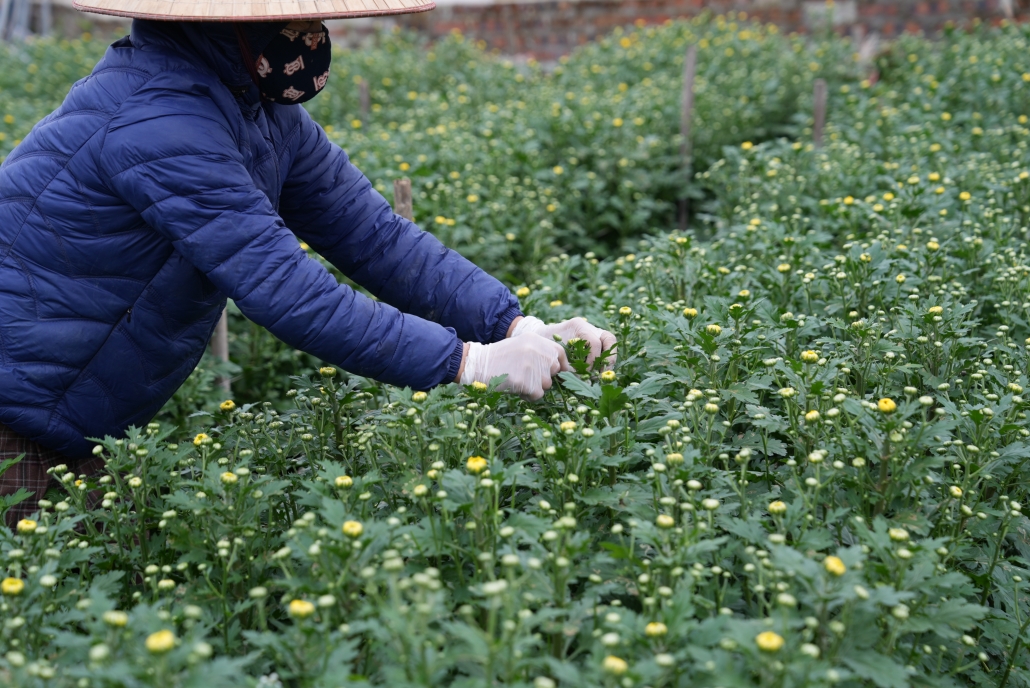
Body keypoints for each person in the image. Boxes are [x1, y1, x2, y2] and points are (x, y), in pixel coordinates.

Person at [0, 1, 616, 525]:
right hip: (14, 418)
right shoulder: (159, 118)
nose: (310, 33)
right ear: (231, 26)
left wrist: (517, 327)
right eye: (290, 18)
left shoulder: (259, 111)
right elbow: (284, 287)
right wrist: (469, 363)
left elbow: (376, 236)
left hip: (75, 415)